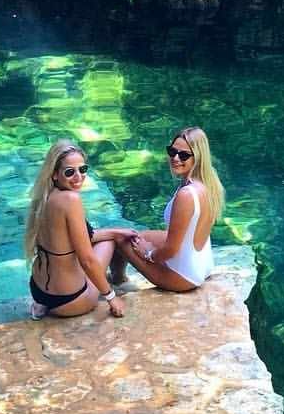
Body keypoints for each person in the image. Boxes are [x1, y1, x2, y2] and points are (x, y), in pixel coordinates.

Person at [24, 140, 133, 319]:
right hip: (69, 300)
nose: (78, 177)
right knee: (111, 242)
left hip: (39, 291)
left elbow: (74, 239)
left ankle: (42, 307)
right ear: (54, 174)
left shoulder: (43, 197)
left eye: (82, 170)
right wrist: (111, 298)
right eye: (69, 172)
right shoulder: (71, 200)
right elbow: (87, 260)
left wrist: (117, 231)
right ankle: (118, 281)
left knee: (112, 235)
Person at [116, 127, 224, 292]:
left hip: (184, 276)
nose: (175, 158)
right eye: (172, 151)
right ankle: (118, 278)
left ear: (198, 157)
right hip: (203, 264)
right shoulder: (208, 183)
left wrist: (149, 254)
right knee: (134, 235)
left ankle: (119, 281)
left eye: (184, 155)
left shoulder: (187, 195)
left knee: (120, 239)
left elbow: (171, 250)